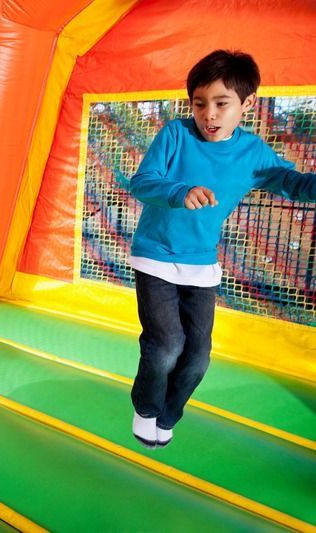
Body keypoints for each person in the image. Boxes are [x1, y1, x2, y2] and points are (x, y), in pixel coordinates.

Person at [128, 50, 315, 448]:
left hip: (200, 265)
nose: (208, 114)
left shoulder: (252, 153)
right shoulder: (175, 135)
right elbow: (142, 182)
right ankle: (145, 409)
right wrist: (179, 192)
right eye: (199, 104)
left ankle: (168, 414)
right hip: (155, 256)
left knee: (197, 360)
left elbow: (292, 182)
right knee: (166, 347)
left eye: (221, 103)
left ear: (246, 105)